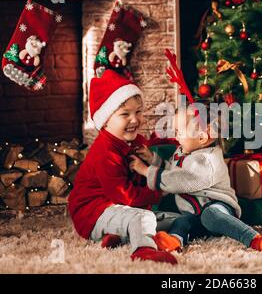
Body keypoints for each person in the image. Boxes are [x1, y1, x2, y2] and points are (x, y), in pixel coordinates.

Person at [68, 70, 179, 264]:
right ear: (106, 121)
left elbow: (146, 173)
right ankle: (143, 250)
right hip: (94, 212)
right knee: (143, 217)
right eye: (124, 114)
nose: (134, 120)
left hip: (122, 208)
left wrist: (152, 159)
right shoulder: (105, 152)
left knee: (171, 219)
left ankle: (118, 236)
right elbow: (125, 196)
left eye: (138, 112)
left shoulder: (136, 142)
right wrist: (159, 192)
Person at [129, 103, 262, 252]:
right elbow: (173, 172)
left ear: (202, 137)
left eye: (179, 131)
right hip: (194, 214)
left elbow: (181, 180)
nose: (175, 135)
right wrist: (152, 159)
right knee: (182, 221)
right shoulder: (183, 151)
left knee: (210, 215)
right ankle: (175, 240)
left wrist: (146, 171)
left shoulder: (207, 160)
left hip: (217, 206)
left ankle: (253, 238)